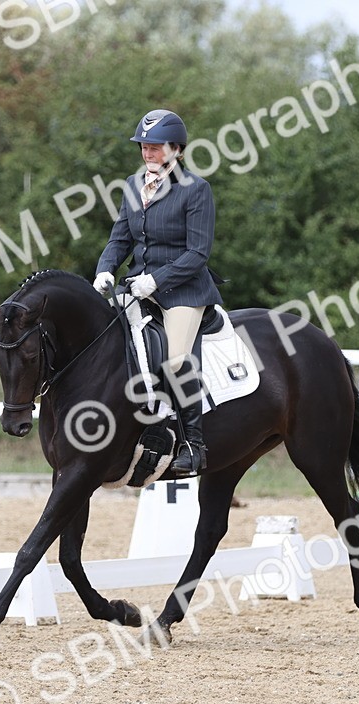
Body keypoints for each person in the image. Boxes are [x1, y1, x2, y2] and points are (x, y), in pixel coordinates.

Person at [93, 108, 224, 475]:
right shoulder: (133, 186)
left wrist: (158, 280)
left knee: (177, 360)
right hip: (138, 285)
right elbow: (120, 238)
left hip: (184, 291)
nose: (147, 153)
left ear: (176, 149)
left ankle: (193, 445)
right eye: (144, 147)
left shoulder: (196, 190)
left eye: (155, 147)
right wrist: (104, 268)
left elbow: (198, 253)